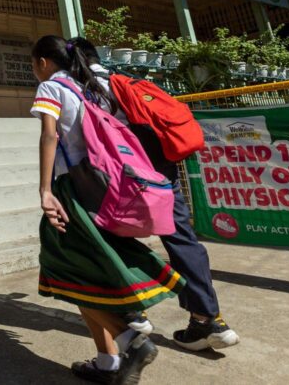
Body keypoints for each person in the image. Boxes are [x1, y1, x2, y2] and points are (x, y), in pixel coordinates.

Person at [31, 35, 184, 384]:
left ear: (42, 62)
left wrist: (44, 190)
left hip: (72, 189)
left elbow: (49, 136)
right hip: (104, 189)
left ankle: (131, 340)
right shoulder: (86, 88)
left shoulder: (51, 89)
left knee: (69, 270)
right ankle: (106, 361)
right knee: (88, 276)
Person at [73, 38, 240, 352]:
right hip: (164, 172)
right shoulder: (128, 79)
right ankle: (208, 319)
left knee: (109, 238)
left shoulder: (92, 88)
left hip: (128, 176)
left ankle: (132, 313)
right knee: (182, 240)